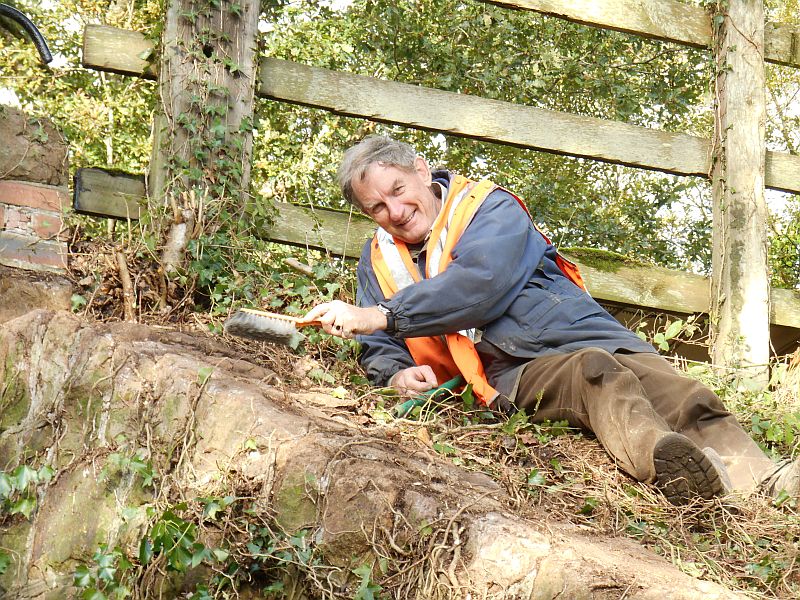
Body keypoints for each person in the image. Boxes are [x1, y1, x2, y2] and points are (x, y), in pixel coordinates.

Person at [303, 134, 798, 505]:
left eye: (398, 189)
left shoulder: (488, 207)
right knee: (594, 375)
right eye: (378, 207)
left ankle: (768, 480)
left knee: (684, 393)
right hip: (508, 371)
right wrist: (395, 373)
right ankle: (670, 465)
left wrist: (379, 316)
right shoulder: (377, 260)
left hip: (575, 331)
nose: (395, 209)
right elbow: (381, 347)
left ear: (420, 168)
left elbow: (480, 285)